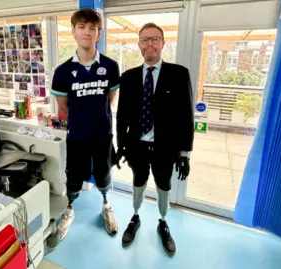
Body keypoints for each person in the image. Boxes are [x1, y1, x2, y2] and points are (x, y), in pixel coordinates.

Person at [116, 22, 194, 255]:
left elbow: (186, 116)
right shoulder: (128, 77)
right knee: (138, 181)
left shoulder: (179, 74)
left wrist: (184, 153)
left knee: (163, 184)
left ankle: (163, 221)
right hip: (136, 146)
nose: (149, 44)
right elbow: (122, 115)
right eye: (144, 39)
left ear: (162, 43)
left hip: (165, 147)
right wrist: (120, 145)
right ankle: (136, 216)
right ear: (139, 44)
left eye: (154, 39)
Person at [51, 8, 120, 240]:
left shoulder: (111, 67)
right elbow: (62, 108)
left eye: (93, 28)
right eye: (82, 27)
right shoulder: (62, 72)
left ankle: (106, 204)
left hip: (103, 135)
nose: (87, 32)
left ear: (99, 34)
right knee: (74, 176)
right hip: (77, 137)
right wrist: (80, 121)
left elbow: (109, 100)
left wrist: (94, 116)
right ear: (73, 32)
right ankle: (69, 209)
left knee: (103, 174)